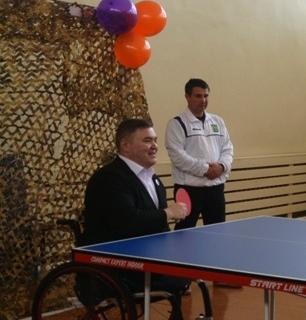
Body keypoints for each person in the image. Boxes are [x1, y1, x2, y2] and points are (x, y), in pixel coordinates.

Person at [80, 118, 190, 295]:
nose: (154, 146)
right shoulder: (109, 179)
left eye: (155, 140)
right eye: (147, 140)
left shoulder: (153, 179)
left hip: (147, 254)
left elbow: (159, 227)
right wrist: (168, 213)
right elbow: (127, 221)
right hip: (118, 262)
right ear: (125, 145)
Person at [165, 78, 234, 230]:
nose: (203, 100)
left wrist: (222, 166)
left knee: (218, 233)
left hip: (215, 189)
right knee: (184, 235)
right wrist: (205, 169)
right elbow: (178, 157)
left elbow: (227, 148)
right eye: (198, 96)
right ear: (187, 97)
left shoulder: (217, 121)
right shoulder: (176, 123)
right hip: (188, 190)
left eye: (206, 96)